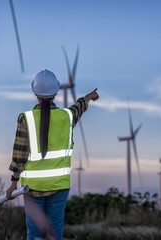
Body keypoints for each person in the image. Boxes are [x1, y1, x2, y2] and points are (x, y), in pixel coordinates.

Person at [6, 69, 99, 240]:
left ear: (35, 93)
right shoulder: (67, 117)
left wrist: (13, 184)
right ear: (56, 92)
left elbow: (19, 155)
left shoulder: (26, 119)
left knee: (34, 234)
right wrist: (88, 97)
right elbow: (78, 108)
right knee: (55, 234)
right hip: (59, 187)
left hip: (32, 188)